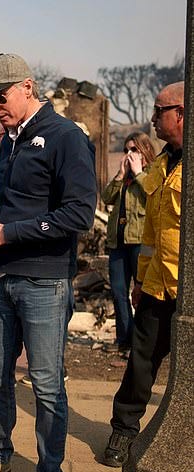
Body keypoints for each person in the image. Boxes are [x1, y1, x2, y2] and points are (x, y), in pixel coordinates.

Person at [0, 53, 97, 472]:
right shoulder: (10, 142)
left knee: (45, 386)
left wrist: (6, 235)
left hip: (43, 281)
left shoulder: (66, 137)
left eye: (1, 96)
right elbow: (3, 213)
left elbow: (78, 214)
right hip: (1, 277)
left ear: (28, 87)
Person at [102, 82, 184, 468]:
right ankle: (123, 430)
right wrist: (140, 281)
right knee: (141, 360)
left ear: (181, 113)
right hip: (157, 287)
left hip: (188, 291)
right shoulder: (163, 166)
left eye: (159, 111)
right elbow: (151, 233)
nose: (153, 119)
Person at [101, 132, 155, 356]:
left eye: (134, 150)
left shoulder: (151, 174)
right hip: (118, 242)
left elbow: (153, 195)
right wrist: (119, 175)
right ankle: (125, 341)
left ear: (144, 152)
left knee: (141, 292)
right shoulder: (123, 178)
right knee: (118, 292)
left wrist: (139, 173)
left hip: (139, 242)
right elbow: (106, 198)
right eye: (126, 150)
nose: (129, 154)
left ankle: (142, 343)